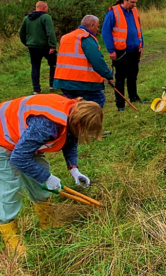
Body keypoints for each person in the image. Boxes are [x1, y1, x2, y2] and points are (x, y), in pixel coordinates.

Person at [0, 94, 103, 256]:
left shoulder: (72, 113)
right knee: (10, 188)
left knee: (40, 173)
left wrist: (73, 168)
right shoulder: (46, 125)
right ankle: (11, 237)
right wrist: (46, 178)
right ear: (77, 123)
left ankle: (47, 221)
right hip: (2, 139)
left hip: (24, 140)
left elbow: (70, 138)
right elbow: (19, 157)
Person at [53, 15, 115, 108]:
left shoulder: (66, 37)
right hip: (80, 81)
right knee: (98, 100)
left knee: (73, 106)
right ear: (91, 25)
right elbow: (97, 60)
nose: (98, 29)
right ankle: (90, 121)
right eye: (97, 26)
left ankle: (72, 121)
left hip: (63, 80)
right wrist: (108, 75)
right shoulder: (86, 38)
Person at [102, 0, 145, 111]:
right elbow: (106, 33)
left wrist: (141, 45)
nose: (134, 5)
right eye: (132, 2)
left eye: (135, 3)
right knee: (120, 79)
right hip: (121, 52)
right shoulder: (113, 12)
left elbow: (139, 29)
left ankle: (134, 97)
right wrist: (111, 51)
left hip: (134, 50)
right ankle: (120, 104)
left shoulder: (135, 11)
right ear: (124, 0)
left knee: (133, 75)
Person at [19, 1, 57, 95]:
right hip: (45, 46)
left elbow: (21, 33)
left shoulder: (27, 18)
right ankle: (52, 84)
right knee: (54, 64)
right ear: (44, 8)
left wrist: (27, 43)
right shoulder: (46, 17)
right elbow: (50, 32)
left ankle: (36, 89)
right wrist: (52, 45)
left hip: (32, 46)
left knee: (35, 67)